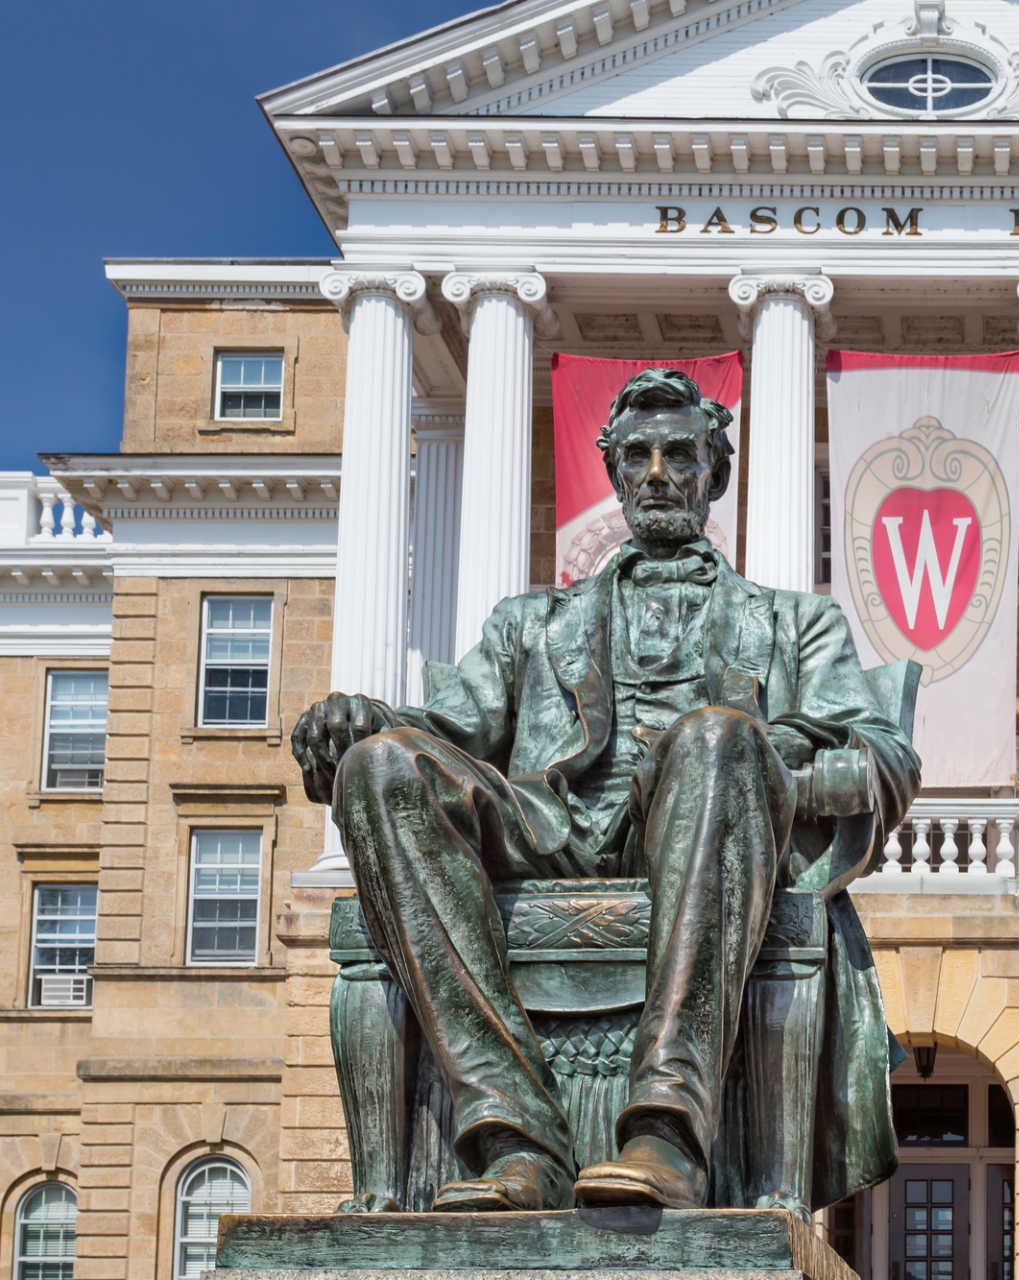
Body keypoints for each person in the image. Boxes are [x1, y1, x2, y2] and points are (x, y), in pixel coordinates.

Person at [292, 369, 919, 1212]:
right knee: (383, 766)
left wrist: (770, 770)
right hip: (550, 827)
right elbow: (444, 731)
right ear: (616, 475)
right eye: (637, 456)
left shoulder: (794, 622)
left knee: (717, 734)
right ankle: (512, 1136)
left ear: (714, 473)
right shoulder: (532, 622)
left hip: (701, 827)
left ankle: (666, 1131)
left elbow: (881, 756)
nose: (658, 472)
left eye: (680, 453)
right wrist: (360, 723)